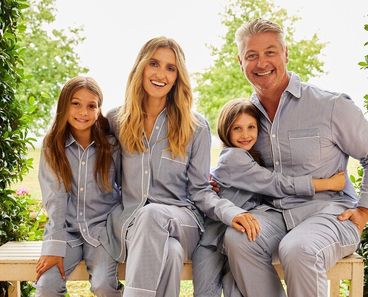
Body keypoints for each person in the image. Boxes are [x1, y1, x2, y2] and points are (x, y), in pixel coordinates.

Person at [221, 19, 368, 297]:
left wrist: (364, 210)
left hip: (329, 213)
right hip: (274, 215)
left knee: (298, 249)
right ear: (240, 61)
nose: (261, 63)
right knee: (238, 239)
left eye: (270, 52)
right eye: (252, 55)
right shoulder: (246, 120)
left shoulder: (330, 105)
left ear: (286, 53)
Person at [99, 36, 260, 297]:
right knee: (170, 253)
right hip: (133, 226)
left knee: (154, 216)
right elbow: (107, 183)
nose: (161, 73)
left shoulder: (195, 126)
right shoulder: (116, 120)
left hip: (183, 221)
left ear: (177, 77)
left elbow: (201, 191)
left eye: (170, 68)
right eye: (154, 63)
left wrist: (231, 213)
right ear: (141, 66)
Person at [192, 98, 346, 297]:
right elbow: (276, 184)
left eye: (251, 127)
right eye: (237, 128)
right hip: (213, 241)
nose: (245, 134)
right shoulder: (233, 157)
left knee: (236, 288)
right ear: (225, 130)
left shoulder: (248, 157)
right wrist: (327, 184)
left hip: (239, 239)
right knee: (206, 293)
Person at [35, 76, 123, 296]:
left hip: (102, 232)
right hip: (65, 233)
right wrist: (54, 248)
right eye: (76, 104)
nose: (83, 112)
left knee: (103, 284)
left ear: (98, 109)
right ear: (64, 105)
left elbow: (127, 187)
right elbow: (55, 199)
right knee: (47, 287)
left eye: (91, 106)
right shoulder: (52, 145)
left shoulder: (111, 145)